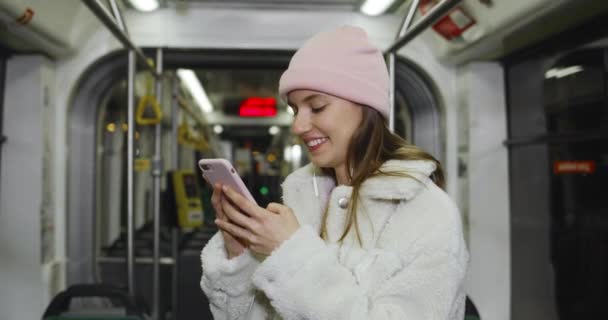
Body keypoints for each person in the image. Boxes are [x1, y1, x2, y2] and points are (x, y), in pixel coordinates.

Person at [200, 25, 469, 320]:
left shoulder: (426, 215)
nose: (298, 126)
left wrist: (290, 254)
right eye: (295, 110)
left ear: (365, 107)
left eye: (316, 107)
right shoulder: (303, 201)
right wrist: (240, 253)